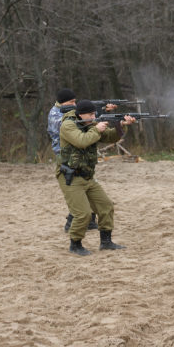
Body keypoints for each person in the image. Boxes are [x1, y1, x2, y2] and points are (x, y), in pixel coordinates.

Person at [57, 99, 136, 256]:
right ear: (80, 114)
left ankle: (106, 242)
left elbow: (111, 137)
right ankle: (75, 244)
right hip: (70, 176)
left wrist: (121, 126)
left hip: (87, 175)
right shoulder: (68, 125)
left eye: (94, 114)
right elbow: (81, 141)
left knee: (106, 206)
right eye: (91, 114)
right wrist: (96, 129)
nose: (94, 116)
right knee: (83, 214)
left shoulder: (91, 124)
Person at [48, 88, 99, 232]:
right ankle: (72, 222)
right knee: (76, 188)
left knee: (86, 184)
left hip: (76, 152)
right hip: (65, 155)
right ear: (63, 103)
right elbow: (77, 126)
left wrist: (100, 113)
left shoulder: (65, 113)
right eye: (72, 102)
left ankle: (89, 220)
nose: (74, 104)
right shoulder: (55, 115)